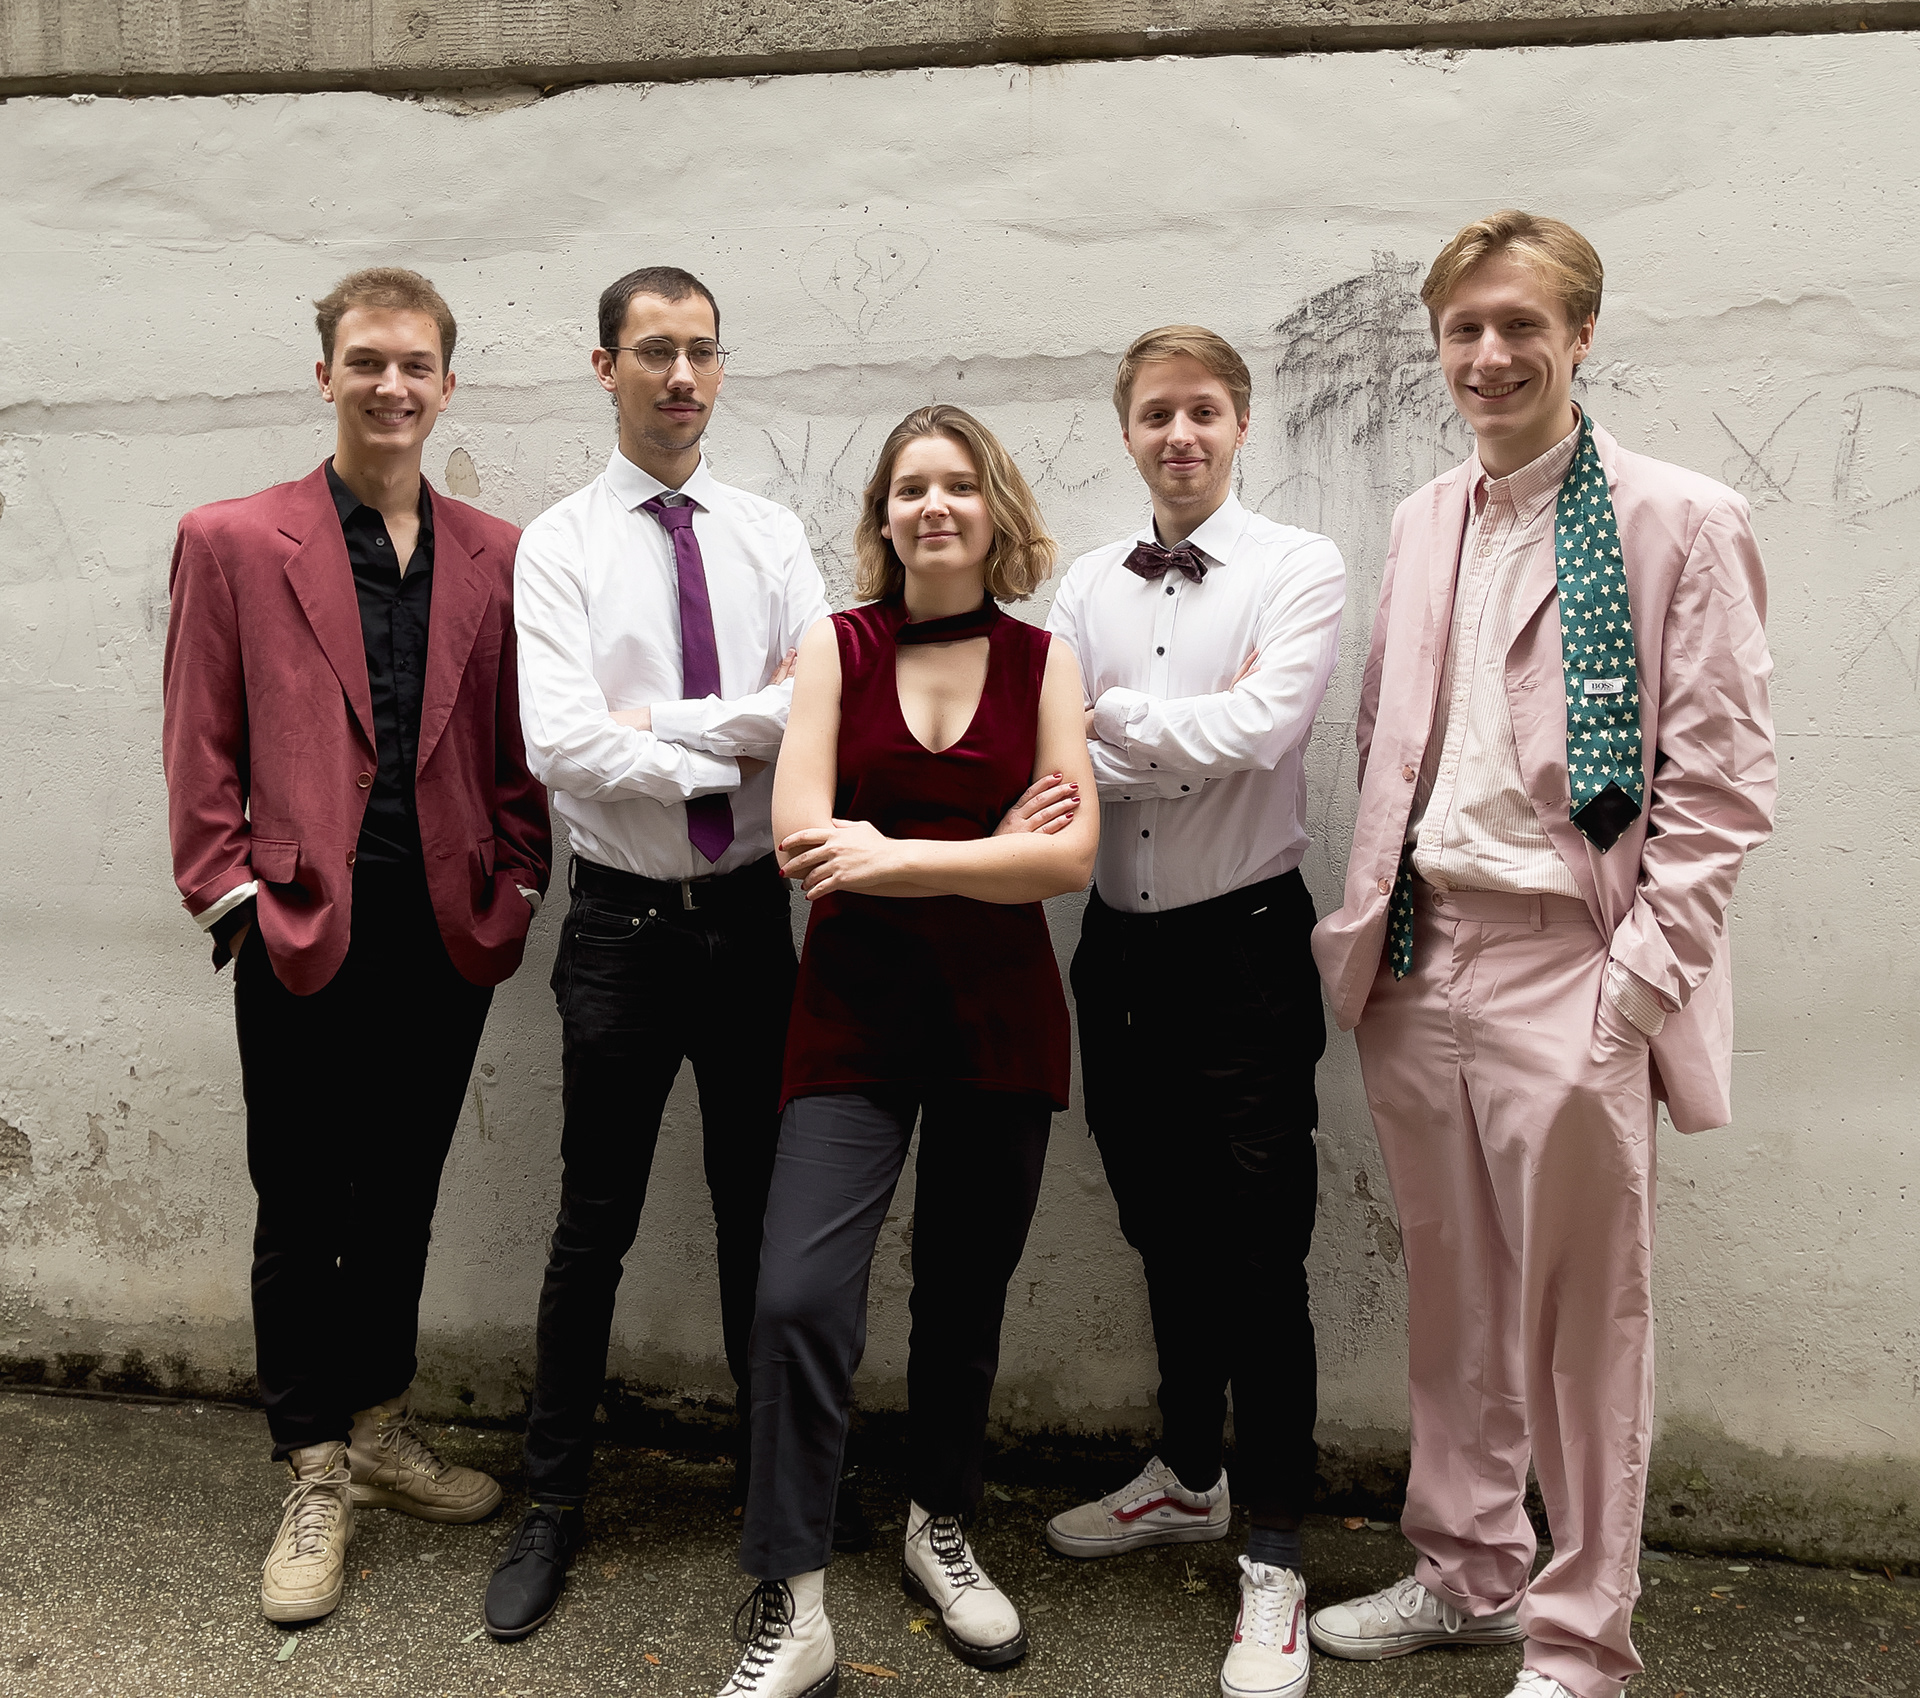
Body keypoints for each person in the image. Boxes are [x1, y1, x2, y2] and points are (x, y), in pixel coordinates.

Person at [1307, 212, 1776, 1698]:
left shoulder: (1680, 518)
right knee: (1452, 1295)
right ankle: (1468, 1575)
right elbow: (1393, 730)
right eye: (1465, 329)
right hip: (1421, 954)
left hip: (1575, 964)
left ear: (1581, 334)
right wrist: (1372, 931)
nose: (1490, 354)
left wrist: (1636, 985)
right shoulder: (1424, 518)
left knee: (1583, 1323)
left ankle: (1580, 1644)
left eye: (1521, 324)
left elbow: (1722, 786)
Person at [161, 268, 552, 1624]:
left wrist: (517, 881)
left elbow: (516, 751)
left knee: (401, 1193)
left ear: (448, 385)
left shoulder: (499, 554)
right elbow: (200, 745)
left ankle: (380, 1425)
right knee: (301, 1201)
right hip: (299, 930)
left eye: (416, 364)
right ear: (324, 374)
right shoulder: (231, 540)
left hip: (446, 932)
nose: (393, 385)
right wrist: (234, 904)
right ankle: (313, 1465)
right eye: (368, 360)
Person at [711, 404, 1098, 1698]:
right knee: (796, 1296)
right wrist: (987, 850)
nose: (936, 505)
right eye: (911, 486)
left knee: (962, 1296)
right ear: (883, 515)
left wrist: (893, 852)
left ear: (995, 508)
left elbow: (1069, 855)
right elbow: (803, 837)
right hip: (854, 1017)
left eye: (959, 484)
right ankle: (796, 1598)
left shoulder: (1045, 660)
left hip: (999, 1019)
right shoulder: (839, 644)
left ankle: (941, 1524)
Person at [486, 267, 830, 1641]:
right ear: (605, 367)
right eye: (653, 351)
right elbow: (559, 743)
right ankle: (553, 1498)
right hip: (622, 928)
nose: (680, 375)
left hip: (750, 923)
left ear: (720, 368)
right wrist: (732, 732)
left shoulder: (771, 535)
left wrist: (660, 727)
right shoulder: (561, 545)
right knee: (595, 1224)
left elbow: (816, 713)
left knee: (760, 1219)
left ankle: (773, 1495)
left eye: (701, 351)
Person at [1042, 327, 1346, 1698]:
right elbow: (1052, 759)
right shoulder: (1082, 584)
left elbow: (1262, 731)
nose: (1181, 433)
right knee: (1159, 1225)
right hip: (1117, 953)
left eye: (1204, 411)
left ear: (1241, 424)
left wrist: (1113, 726)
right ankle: (1188, 1474)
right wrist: (1156, 732)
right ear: (1128, 430)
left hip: (1245, 951)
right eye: (1158, 412)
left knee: (1263, 1255)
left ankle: (1275, 1555)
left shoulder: (1298, 566)